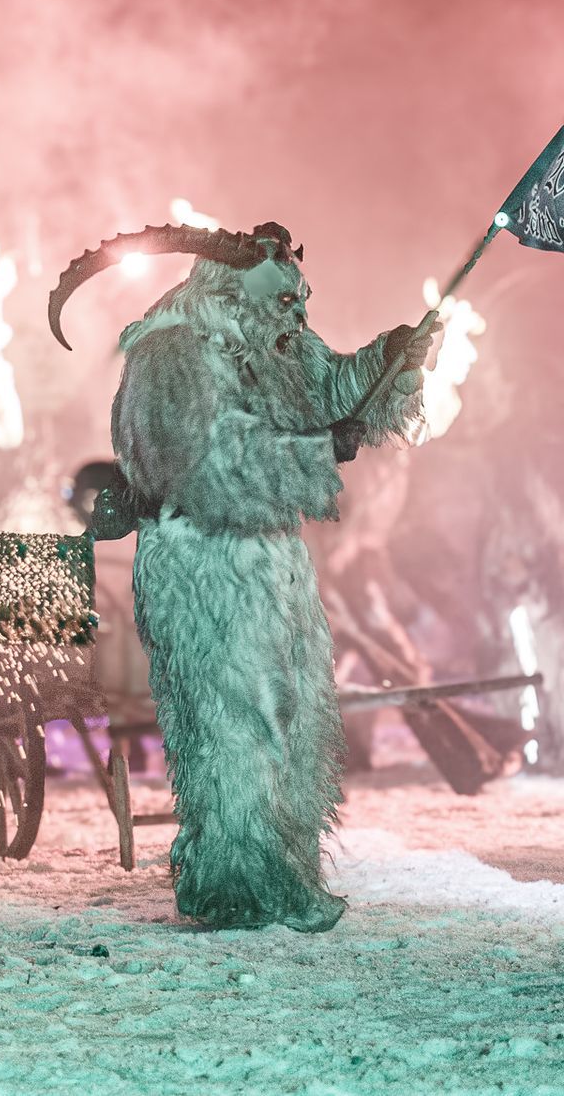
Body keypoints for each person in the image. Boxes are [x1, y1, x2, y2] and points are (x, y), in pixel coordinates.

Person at [49, 221, 435, 931]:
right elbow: (208, 460)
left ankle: (285, 875)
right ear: (233, 287)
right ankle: (235, 885)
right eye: (285, 296)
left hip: (274, 567)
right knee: (235, 726)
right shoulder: (171, 351)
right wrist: (318, 450)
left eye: (300, 295)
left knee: (295, 718)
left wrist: (393, 358)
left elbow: (332, 391)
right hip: (204, 564)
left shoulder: (273, 337)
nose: (298, 309)